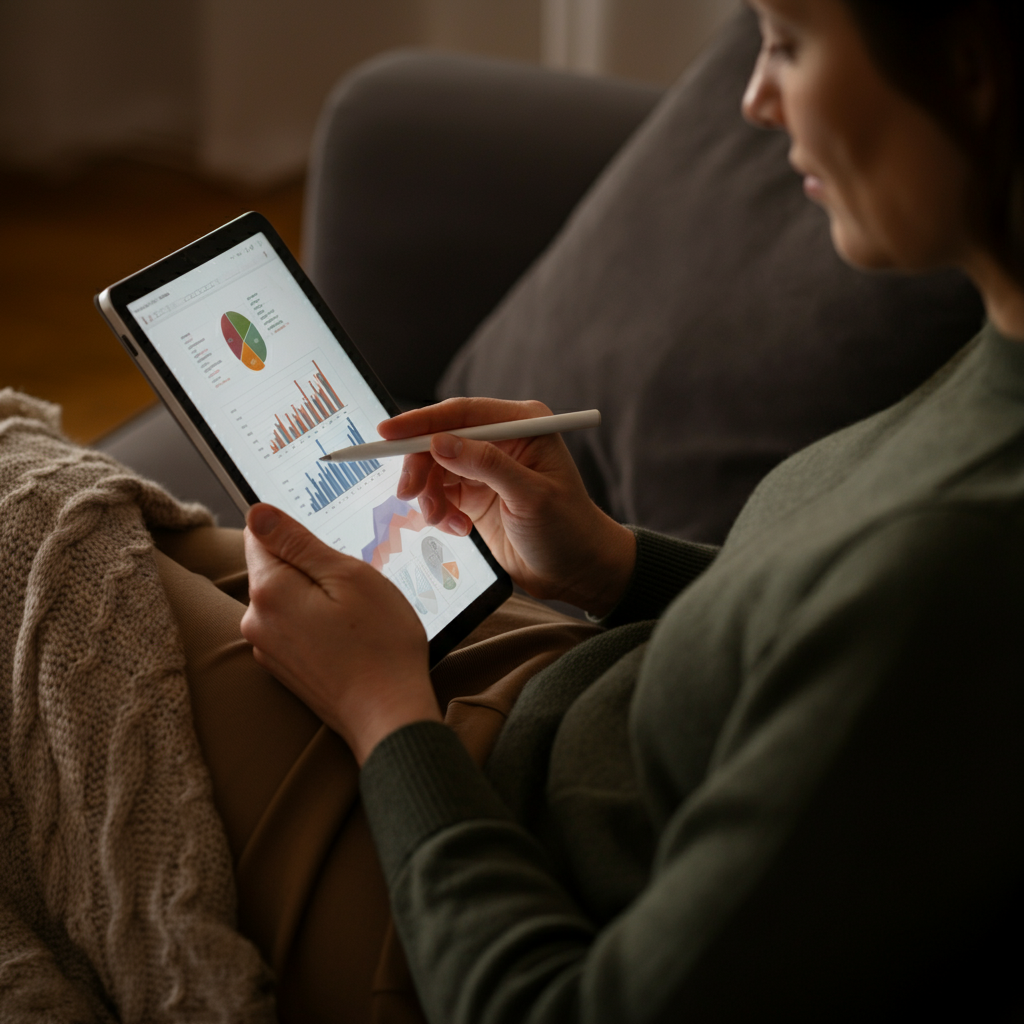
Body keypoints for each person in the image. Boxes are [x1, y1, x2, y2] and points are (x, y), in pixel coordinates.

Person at [229, 0, 1024, 1018]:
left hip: (450, 905)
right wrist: (613, 564)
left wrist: (384, 711)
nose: (754, 98)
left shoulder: (962, 585)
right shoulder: (1001, 352)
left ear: (967, 66)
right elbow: (821, 625)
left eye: (786, 43)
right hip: (518, 743)